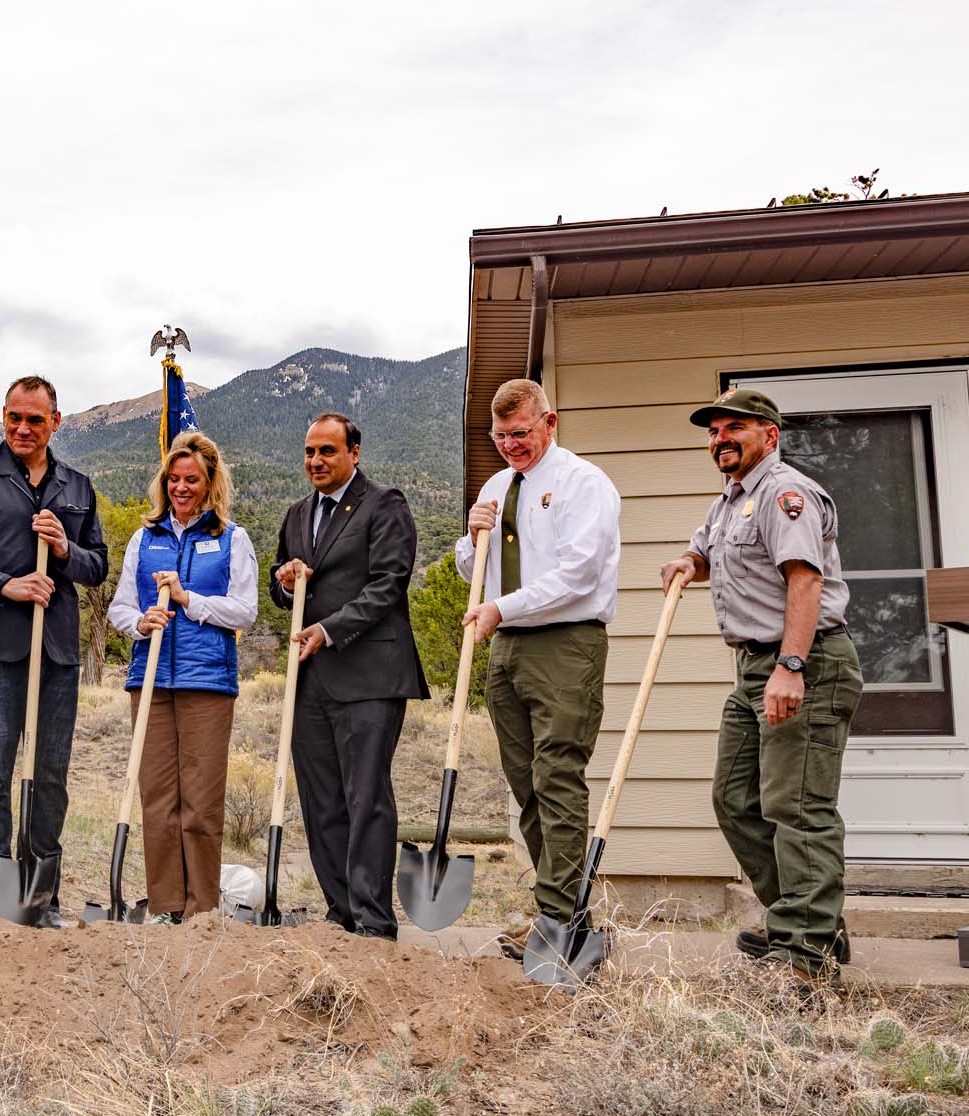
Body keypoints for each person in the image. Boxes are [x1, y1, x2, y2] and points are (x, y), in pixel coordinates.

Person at [660, 386, 863, 984]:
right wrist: (686, 565)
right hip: (752, 667)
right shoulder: (730, 501)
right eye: (714, 431)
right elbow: (707, 553)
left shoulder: (784, 494)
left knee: (796, 807)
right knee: (735, 799)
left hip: (805, 662)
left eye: (734, 429)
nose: (720, 439)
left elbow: (804, 583)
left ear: (769, 436)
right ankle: (804, 920)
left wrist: (791, 667)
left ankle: (804, 955)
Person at [456, 379, 621, 958]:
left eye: (520, 433)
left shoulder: (584, 484)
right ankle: (563, 911)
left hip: (565, 644)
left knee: (558, 778)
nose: (510, 446)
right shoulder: (499, 486)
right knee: (526, 786)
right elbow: (475, 570)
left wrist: (502, 608)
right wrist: (472, 537)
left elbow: (578, 573)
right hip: (508, 648)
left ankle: (560, 920)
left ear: (550, 423)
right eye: (500, 436)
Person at [0, 375, 108, 922]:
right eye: (15, 417)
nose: (24, 428)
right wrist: (5, 584)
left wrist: (62, 550)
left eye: (35, 419)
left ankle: (41, 900)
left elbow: (97, 567)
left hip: (54, 652)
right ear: (3, 418)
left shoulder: (77, 488)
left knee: (50, 776)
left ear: (56, 422)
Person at [270, 412, 427, 939]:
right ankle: (339, 912)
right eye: (310, 452)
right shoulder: (295, 515)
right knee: (322, 801)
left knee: (366, 797)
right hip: (310, 679)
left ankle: (374, 920)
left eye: (328, 451)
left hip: (369, 675)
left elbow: (389, 584)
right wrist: (287, 583)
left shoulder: (384, 505)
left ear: (353, 453)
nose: (316, 461)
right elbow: (281, 589)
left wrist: (329, 629)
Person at [106, 432, 259, 921]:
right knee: (158, 799)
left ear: (210, 481)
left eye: (191, 479)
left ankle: (201, 910)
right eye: (173, 479)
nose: (181, 488)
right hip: (149, 681)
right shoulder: (143, 537)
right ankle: (166, 906)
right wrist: (141, 622)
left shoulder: (231, 538)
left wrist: (189, 600)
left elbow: (244, 612)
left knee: (200, 803)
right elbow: (120, 607)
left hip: (207, 683)